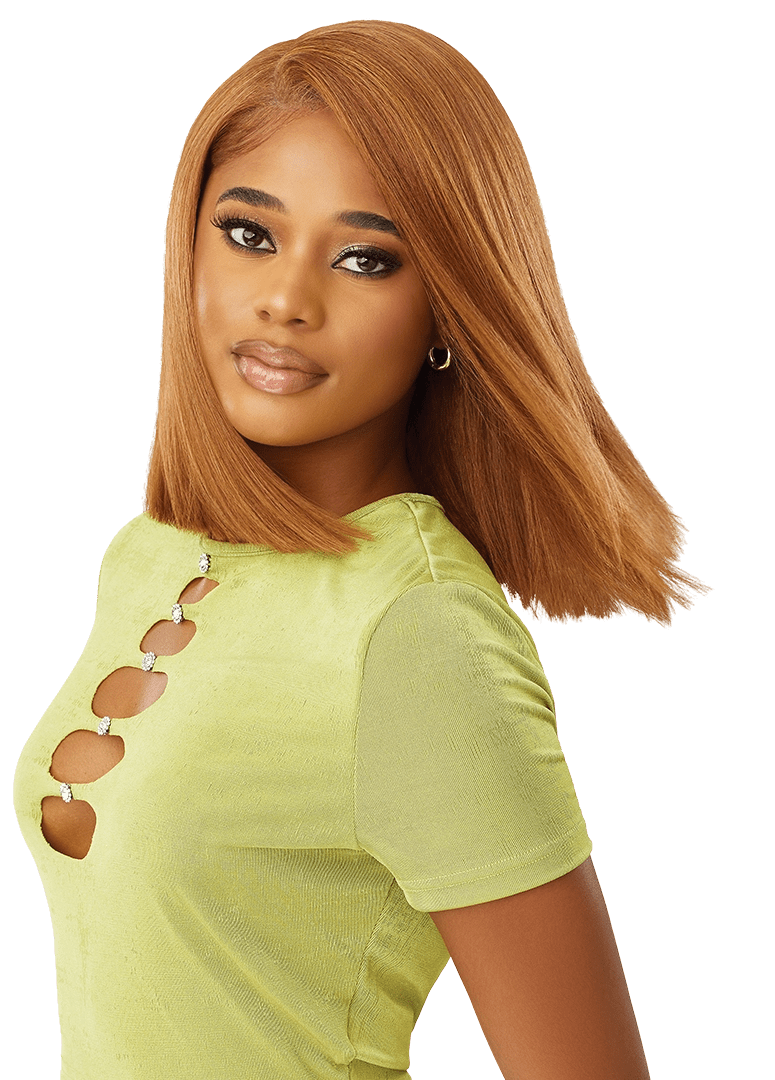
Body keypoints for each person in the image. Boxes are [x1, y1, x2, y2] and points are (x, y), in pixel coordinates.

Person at [13, 19, 711, 1080]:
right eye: (248, 233)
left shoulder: (416, 629)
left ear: (448, 307)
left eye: (364, 259)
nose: (286, 301)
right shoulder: (149, 555)